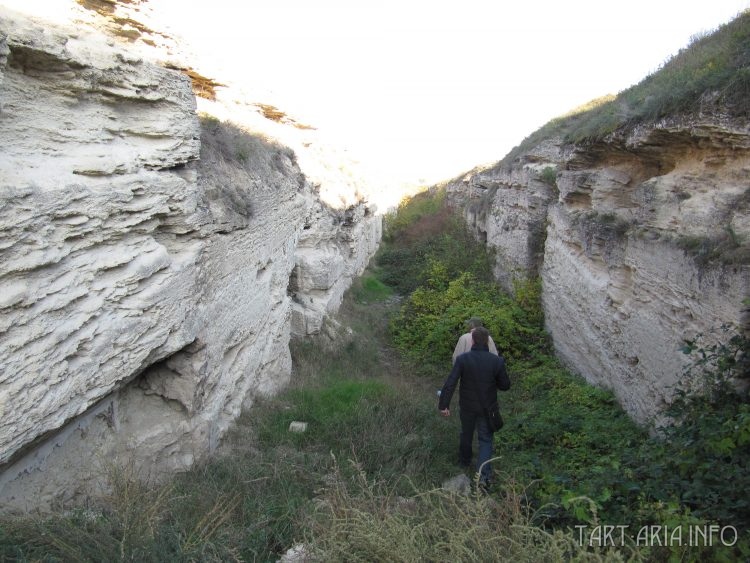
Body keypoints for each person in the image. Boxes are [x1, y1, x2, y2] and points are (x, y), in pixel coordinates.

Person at [439, 326, 510, 487]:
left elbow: (451, 382)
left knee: (466, 433)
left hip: (467, 407)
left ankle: (464, 462)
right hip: (488, 408)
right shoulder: (497, 361)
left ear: (472, 341)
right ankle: (483, 477)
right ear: (487, 341)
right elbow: (505, 385)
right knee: (485, 439)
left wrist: (444, 404)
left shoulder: (463, 359)